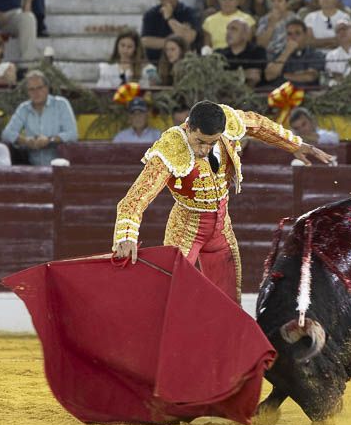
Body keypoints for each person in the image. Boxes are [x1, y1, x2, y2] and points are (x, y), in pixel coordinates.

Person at [111, 99, 330, 303]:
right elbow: (135, 198)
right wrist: (126, 236)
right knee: (169, 297)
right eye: (199, 142)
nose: (204, 149)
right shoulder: (170, 148)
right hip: (185, 230)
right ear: (188, 128)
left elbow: (258, 124)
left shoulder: (227, 122)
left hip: (221, 229)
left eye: (211, 143)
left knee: (229, 302)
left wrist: (295, 145)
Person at [0, 70, 79, 165]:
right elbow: (6, 134)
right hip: (31, 167)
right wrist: (25, 141)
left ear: (47, 88)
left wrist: (49, 140)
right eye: (31, 89)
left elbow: (72, 134)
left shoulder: (61, 104)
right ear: (27, 92)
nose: (36, 93)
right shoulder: (24, 109)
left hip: (59, 167)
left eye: (39, 88)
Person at [263, 19, 325, 86]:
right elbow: (269, 76)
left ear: (305, 35)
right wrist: (287, 52)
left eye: (297, 33)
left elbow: (309, 77)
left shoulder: (315, 54)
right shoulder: (280, 54)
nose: (293, 37)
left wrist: (282, 76)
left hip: (307, 93)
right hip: (283, 92)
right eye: (289, 34)